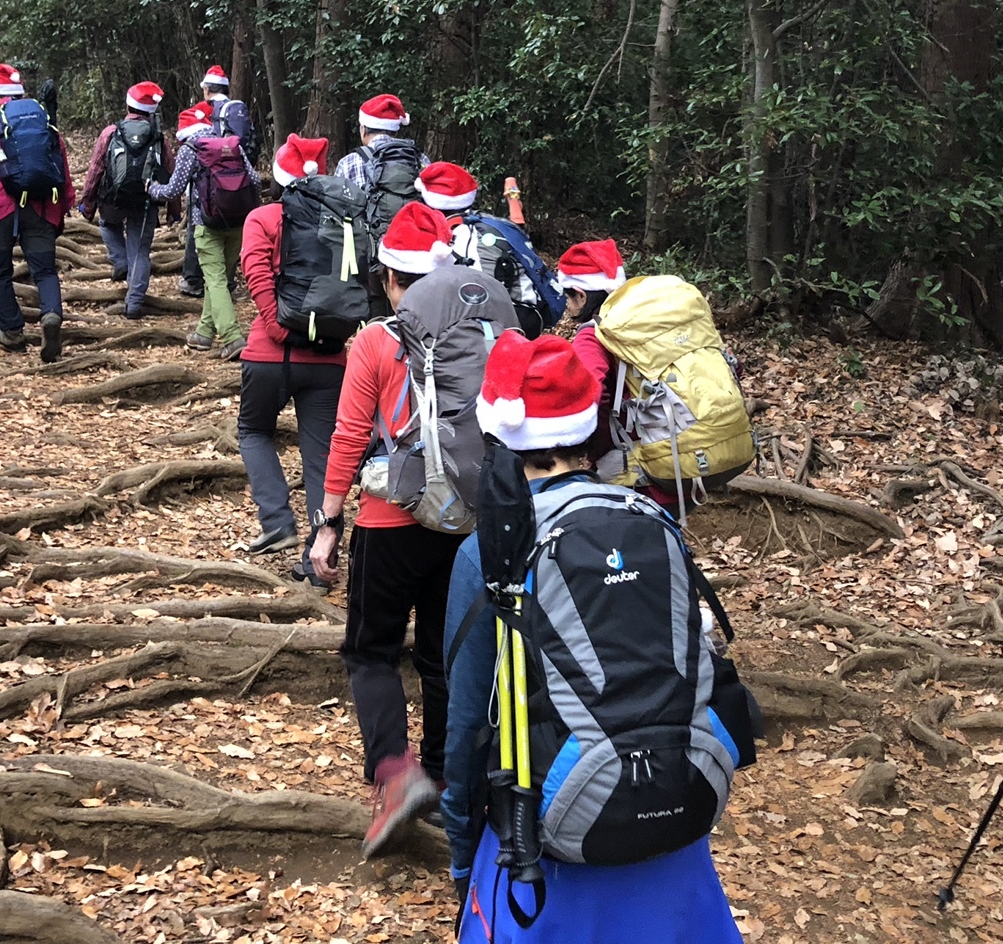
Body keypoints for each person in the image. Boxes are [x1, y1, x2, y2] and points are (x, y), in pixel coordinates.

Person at [441, 330, 745, 943]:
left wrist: (461, 847)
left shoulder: (491, 553)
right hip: (674, 819)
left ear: (497, 437)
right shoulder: (649, 521)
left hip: (549, 835)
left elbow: (469, 720)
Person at [309, 202, 466, 856]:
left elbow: (348, 435)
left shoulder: (376, 341)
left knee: (370, 651)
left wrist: (327, 521)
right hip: (462, 522)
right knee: (439, 655)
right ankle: (441, 774)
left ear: (390, 279)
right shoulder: (479, 338)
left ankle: (397, 775)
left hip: (390, 517)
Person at [236, 134, 346, 582]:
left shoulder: (263, 217)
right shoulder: (343, 224)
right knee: (321, 457)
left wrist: (279, 327)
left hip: (269, 353)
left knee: (252, 430)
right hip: (330, 357)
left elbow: (256, 271)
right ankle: (319, 560)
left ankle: (277, 522)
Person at [0, 63, 73, 362]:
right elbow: (59, 162)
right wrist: (66, 202)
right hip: (42, 205)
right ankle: (50, 315)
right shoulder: (42, 119)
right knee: (45, 270)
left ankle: (12, 331)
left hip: (0, 207)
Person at [149, 101, 260, 361]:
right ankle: (204, 332)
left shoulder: (191, 149)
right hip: (237, 223)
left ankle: (232, 338)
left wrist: (152, 188)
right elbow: (254, 180)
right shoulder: (231, 144)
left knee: (215, 280)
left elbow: (173, 190)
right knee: (219, 280)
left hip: (207, 224)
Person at [419, 162, 560, 337]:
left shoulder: (465, 236)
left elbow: (478, 301)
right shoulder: (485, 223)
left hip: (506, 325)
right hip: (525, 316)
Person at [78, 82, 178, 321]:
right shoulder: (158, 138)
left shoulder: (110, 133)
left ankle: (120, 262)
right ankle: (133, 305)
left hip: (113, 199)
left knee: (106, 225)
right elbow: (170, 173)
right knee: (140, 251)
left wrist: (88, 204)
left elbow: (95, 170)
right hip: (146, 201)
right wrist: (174, 210)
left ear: (128, 105)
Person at [555, 240, 631, 480]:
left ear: (581, 294)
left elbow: (590, 394)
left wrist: (594, 451)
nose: (567, 305)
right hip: (696, 440)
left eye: (568, 296)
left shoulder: (593, 335)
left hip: (637, 456)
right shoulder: (645, 319)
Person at [180, 66, 258, 297]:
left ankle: (194, 280)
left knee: (199, 225)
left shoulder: (214, 112)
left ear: (206, 89)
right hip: (237, 181)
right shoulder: (236, 109)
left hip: (210, 181)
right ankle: (227, 282)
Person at [334, 94, 431, 188]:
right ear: (395, 132)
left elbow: (335, 202)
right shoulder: (418, 159)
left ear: (363, 130)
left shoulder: (348, 163)